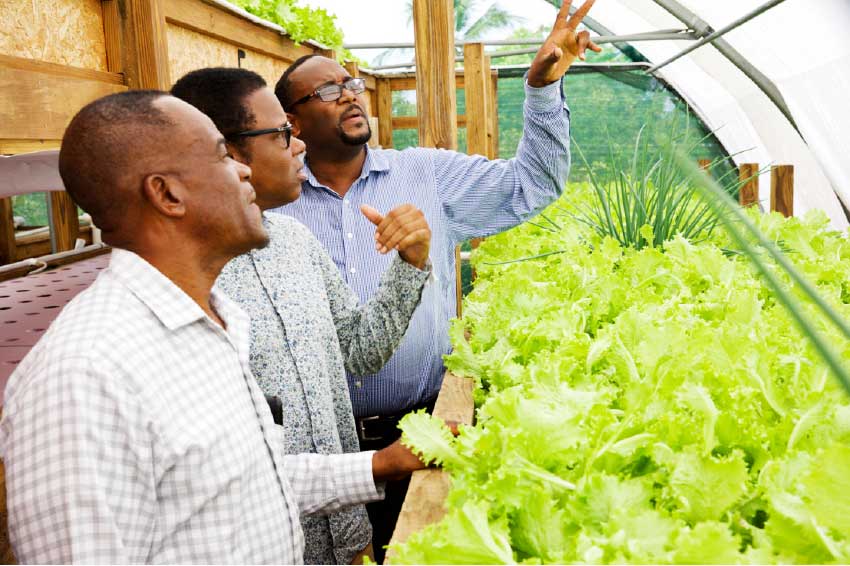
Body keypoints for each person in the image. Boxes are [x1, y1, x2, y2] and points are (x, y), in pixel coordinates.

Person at [0, 90, 432, 564]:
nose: (243, 170)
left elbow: (245, 478)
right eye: (223, 156)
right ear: (167, 194)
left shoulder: (216, 321)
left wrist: (382, 463)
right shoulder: (80, 376)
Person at [273, 0, 600, 558]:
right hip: (321, 449)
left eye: (351, 83)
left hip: (421, 431)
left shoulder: (426, 174)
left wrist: (542, 89)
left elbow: (532, 186)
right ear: (292, 124)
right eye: (327, 90)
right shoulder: (271, 204)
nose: (350, 94)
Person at [171, 67, 433, 564]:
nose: (299, 147)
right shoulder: (189, 282)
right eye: (282, 135)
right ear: (227, 153)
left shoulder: (294, 240)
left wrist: (411, 264)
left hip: (349, 534)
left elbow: (360, 351)